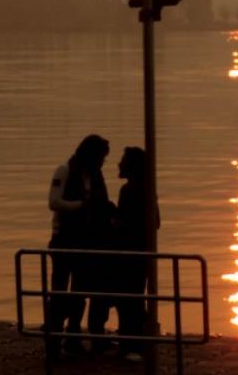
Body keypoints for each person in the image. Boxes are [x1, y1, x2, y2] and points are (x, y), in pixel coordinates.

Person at [46, 133, 113, 356]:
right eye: (101, 158)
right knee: (59, 291)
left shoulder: (94, 176)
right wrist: (81, 205)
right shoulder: (64, 171)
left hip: (86, 240)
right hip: (64, 239)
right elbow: (54, 202)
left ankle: (73, 335)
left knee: (80, 290)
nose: (102, 163)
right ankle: (54, 338)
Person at [113, 146, 159, 363]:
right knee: (134, 298)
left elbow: (124, 223)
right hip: (141, 254)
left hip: (129, 254)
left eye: (122, 160)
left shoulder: (129, 190)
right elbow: (156, 222)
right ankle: (137, 340)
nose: (118, 164)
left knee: (128, 300)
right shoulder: (148, 189)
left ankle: (132, 344)